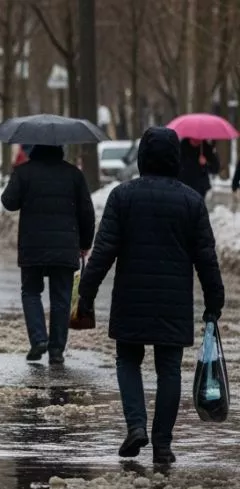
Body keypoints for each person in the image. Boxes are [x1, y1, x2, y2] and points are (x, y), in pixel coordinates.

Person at [77, 126, 225, 464]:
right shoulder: (191, 201)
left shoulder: (122, 197)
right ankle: (162, 444)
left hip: (131, 298)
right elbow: (206, 256)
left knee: (128, 360)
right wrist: (214, 299)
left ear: (142, 157)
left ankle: (136, 426)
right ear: (174, 158)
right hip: (173, 301)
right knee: (169, 368)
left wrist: (87, 292)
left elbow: (104, 251)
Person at [0, 144, 96, 365]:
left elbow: (8, 202)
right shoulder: (74, 174)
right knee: (61, 298)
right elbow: (86, 212)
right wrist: (84, 243)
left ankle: (38, 339)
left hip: (32, 244)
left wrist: (17, 180)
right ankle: (56, 351)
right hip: (65, 246)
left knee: (31, 292)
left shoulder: (24, 172)